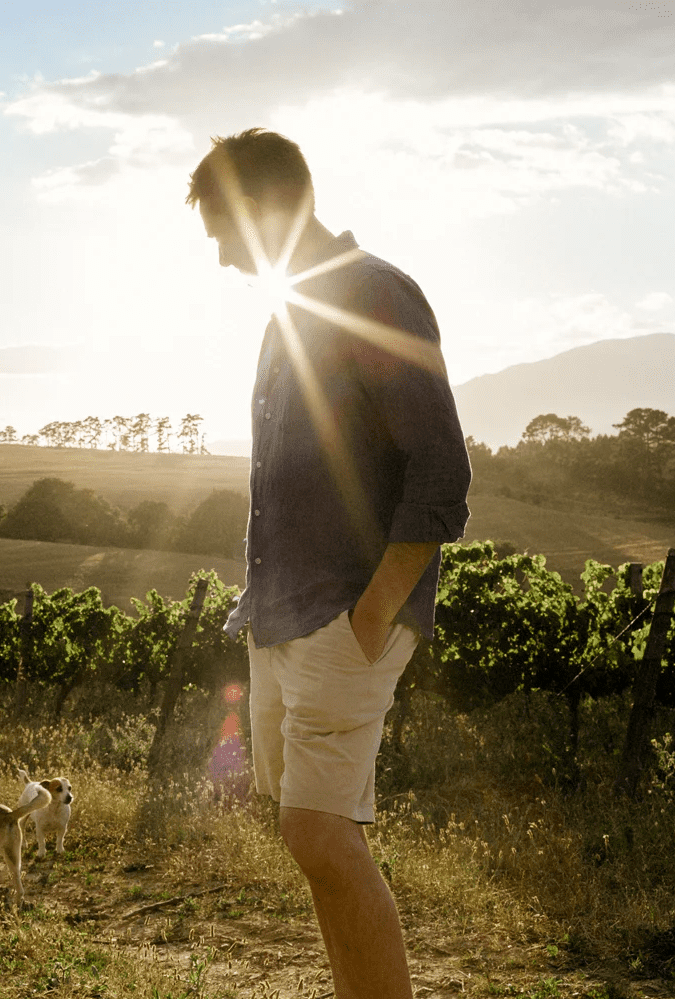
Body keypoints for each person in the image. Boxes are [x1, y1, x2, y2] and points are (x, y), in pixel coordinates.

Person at [186, 129, 471, 999]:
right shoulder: (287, 313)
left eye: (224, 233)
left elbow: (439, 469)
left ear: (259, 209)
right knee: (311, 838)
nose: (223, 257)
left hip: (344, 612)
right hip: (281, 612)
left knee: (318, 833)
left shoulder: (372, 293)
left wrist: (373, 612)